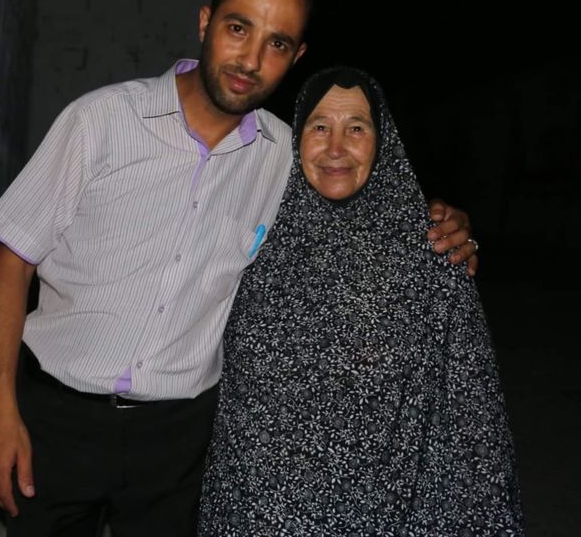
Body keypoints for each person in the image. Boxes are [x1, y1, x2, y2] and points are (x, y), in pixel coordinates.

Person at [0, 0, 478, 536]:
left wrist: (441, 224)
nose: (250, 60)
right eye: (239, 28)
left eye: (277, 43)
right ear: (205, 21)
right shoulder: (101, 120)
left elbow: (355, 201)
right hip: (56, 418)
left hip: (179, 441)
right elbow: (13, 258)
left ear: (296, 56)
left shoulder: (283, 157)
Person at [198, 66, 523, 536]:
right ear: (296, 138)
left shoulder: (431, 253)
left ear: (382, 140)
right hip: (254, 512)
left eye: (356, 128)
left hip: (379, 517)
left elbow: (473, 420)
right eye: (319, 127)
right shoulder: (251, 233)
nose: (336, 148)